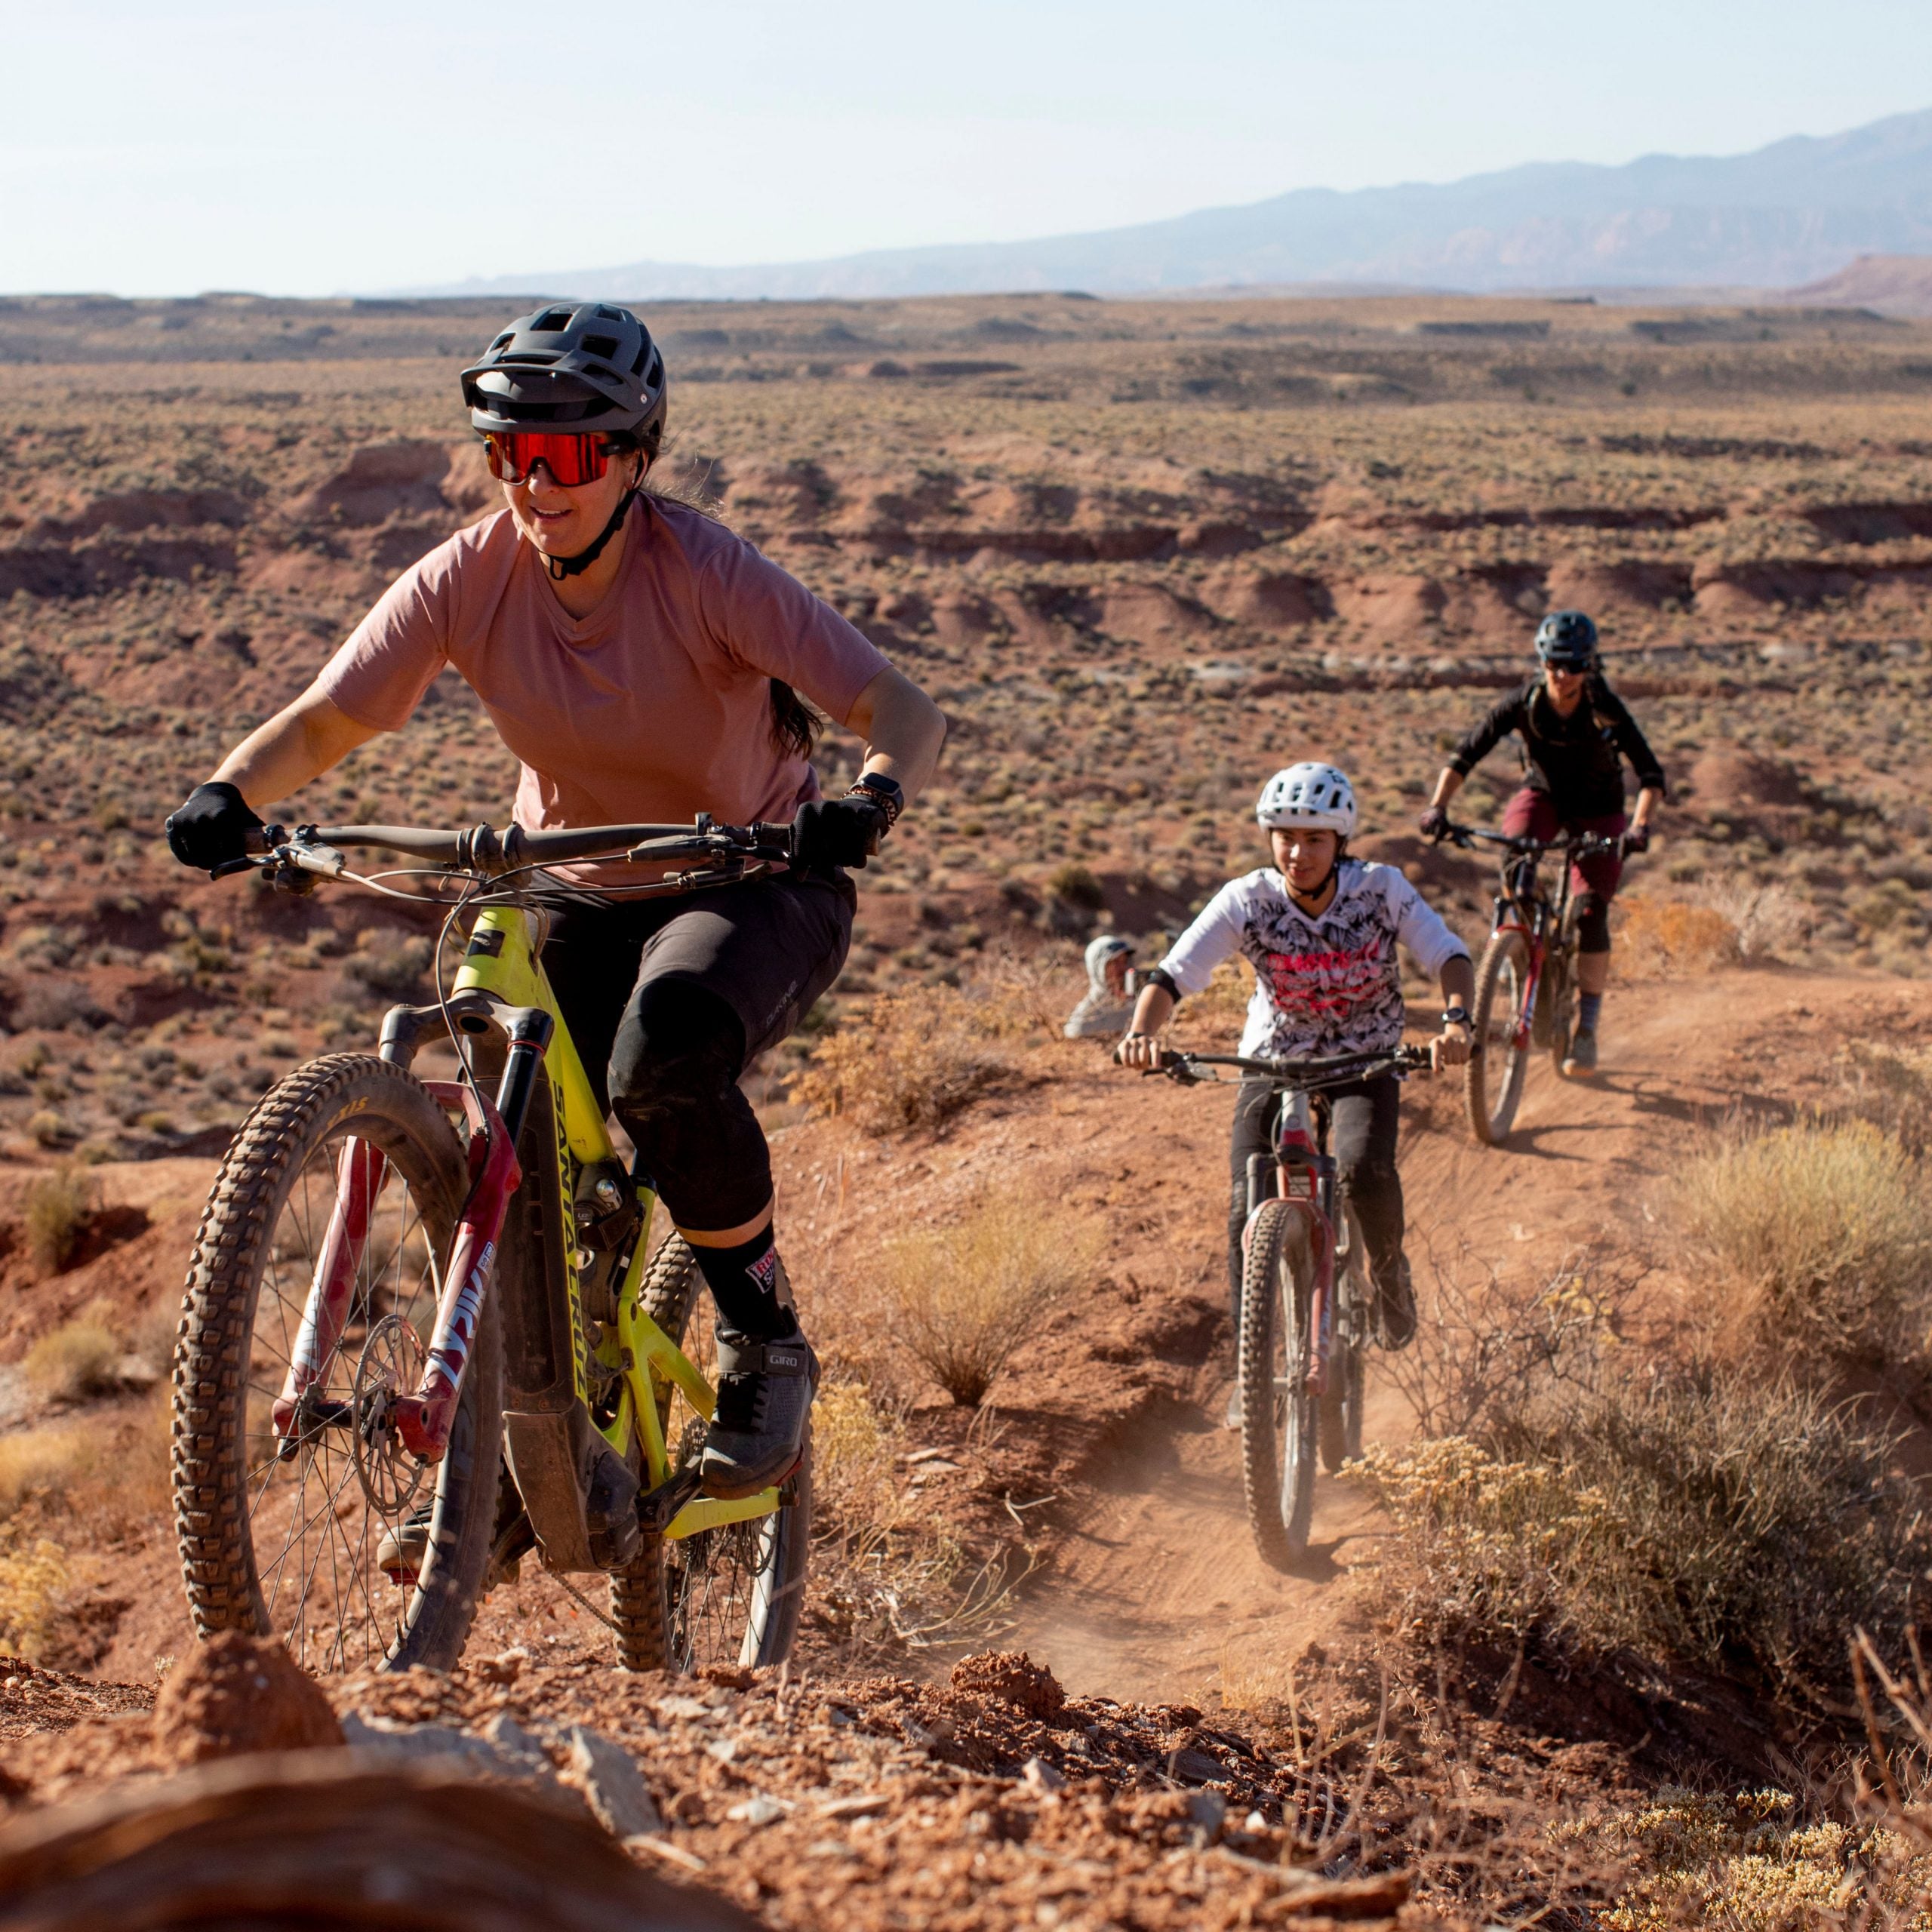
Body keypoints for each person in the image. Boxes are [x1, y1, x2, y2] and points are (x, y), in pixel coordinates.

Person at [164, 302, 946, 1508]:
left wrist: (870, 801)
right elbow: (333, 718)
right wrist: (231, 789)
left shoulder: (706, 570)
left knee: (662, 1052)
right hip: (574, 879)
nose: (538, 481)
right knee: (499, 1109)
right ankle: (522, 1425)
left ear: (634, 459)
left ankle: (762, 1339)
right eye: (510, 452)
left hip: (751, 878)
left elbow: (901, 708)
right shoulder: (466, 578)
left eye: (572, 452)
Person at [1116, 761, 1473, 1367]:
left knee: (1363, 1169)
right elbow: (1173, 974)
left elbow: (1447, 953)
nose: (1298, 852)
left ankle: (1388, 1275)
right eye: (1285, 835)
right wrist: (1140, 1033)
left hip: (1369, 1054)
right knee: (1243, 1202)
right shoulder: (1246, 900)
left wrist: (1457, 1020)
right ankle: (1248, 1369)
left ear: (1340, 843)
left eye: (1314, 838)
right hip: (1275, 1057)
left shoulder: (1381, 890)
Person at [1417, 610, 1664, 1078]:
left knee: (1591, 912)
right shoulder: (1524, 702)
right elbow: (1466, 753)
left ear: (1589, 666)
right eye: (1553, 663)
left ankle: (1585, 1029)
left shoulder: (1604, 706)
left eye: (1572, 665)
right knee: (1518, 859)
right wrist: (1438, 807)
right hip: (1544, 795)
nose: (1561, 674)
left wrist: (1639, 827)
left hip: (1600, 810)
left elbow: (1651, 775)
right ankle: (1525, 958)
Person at [1064, 933, 1137, 1039]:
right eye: (1114, 962)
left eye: (1124, 961)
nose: (1122, 967)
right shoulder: (1087, 1017)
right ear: (1097, 967)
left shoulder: (1139, 1005)